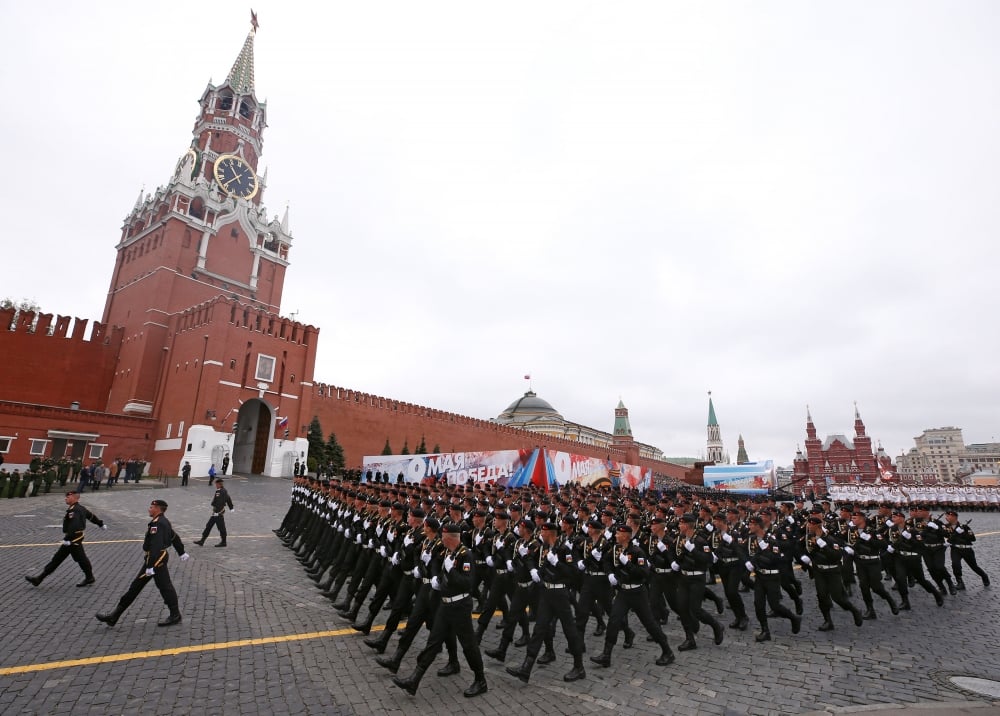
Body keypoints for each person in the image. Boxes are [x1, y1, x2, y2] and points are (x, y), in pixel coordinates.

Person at [392, 521, 488, 698]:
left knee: (468, 645)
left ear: (450, 538)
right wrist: (436, 576)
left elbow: (467, 584)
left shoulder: (466, 555)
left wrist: (451, 572)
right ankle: (414, 680)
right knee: (433, 641)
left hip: (460, 605)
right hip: (445, 604)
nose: (441, 540)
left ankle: (480, 680)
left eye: (443, 537)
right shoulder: (447, 551)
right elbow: (436, 562)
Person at [96, 499, 189, 627]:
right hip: (155, 559)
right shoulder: (162, 521)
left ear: (157, 508)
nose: (149, 509)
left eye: (151, 507)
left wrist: (150, 566)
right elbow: (174, 537)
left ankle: (175, 615)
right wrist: (181, 551)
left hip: (156, 560)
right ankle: (114, 616)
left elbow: (156, 546)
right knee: (139, 586)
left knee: (164, 587)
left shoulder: (159, 524)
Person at [26, 490, 107, 587]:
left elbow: (74, 525)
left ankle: (90, 577)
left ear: (74, 497)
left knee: (80, 559)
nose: (66, 498)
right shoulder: (81, 508)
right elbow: (92, 517)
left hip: (73, 539)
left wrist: (69, 538)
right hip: (72, 539)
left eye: (68, 497)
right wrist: (100, 524)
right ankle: (39, 579)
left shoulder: (74, 511)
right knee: (59, 559)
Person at [194, 478, 234, 547]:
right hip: (216, 513)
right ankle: (202, 541)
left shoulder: (221, 492)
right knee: (208, 526)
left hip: (218, 513)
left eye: (216, 484)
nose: (216, 485)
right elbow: (228, 498)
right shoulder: (223, 491)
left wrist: (217, 511)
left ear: (219, 484)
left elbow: (220, 502)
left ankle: (224, 542)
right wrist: (231, 508)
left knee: (221, 528)